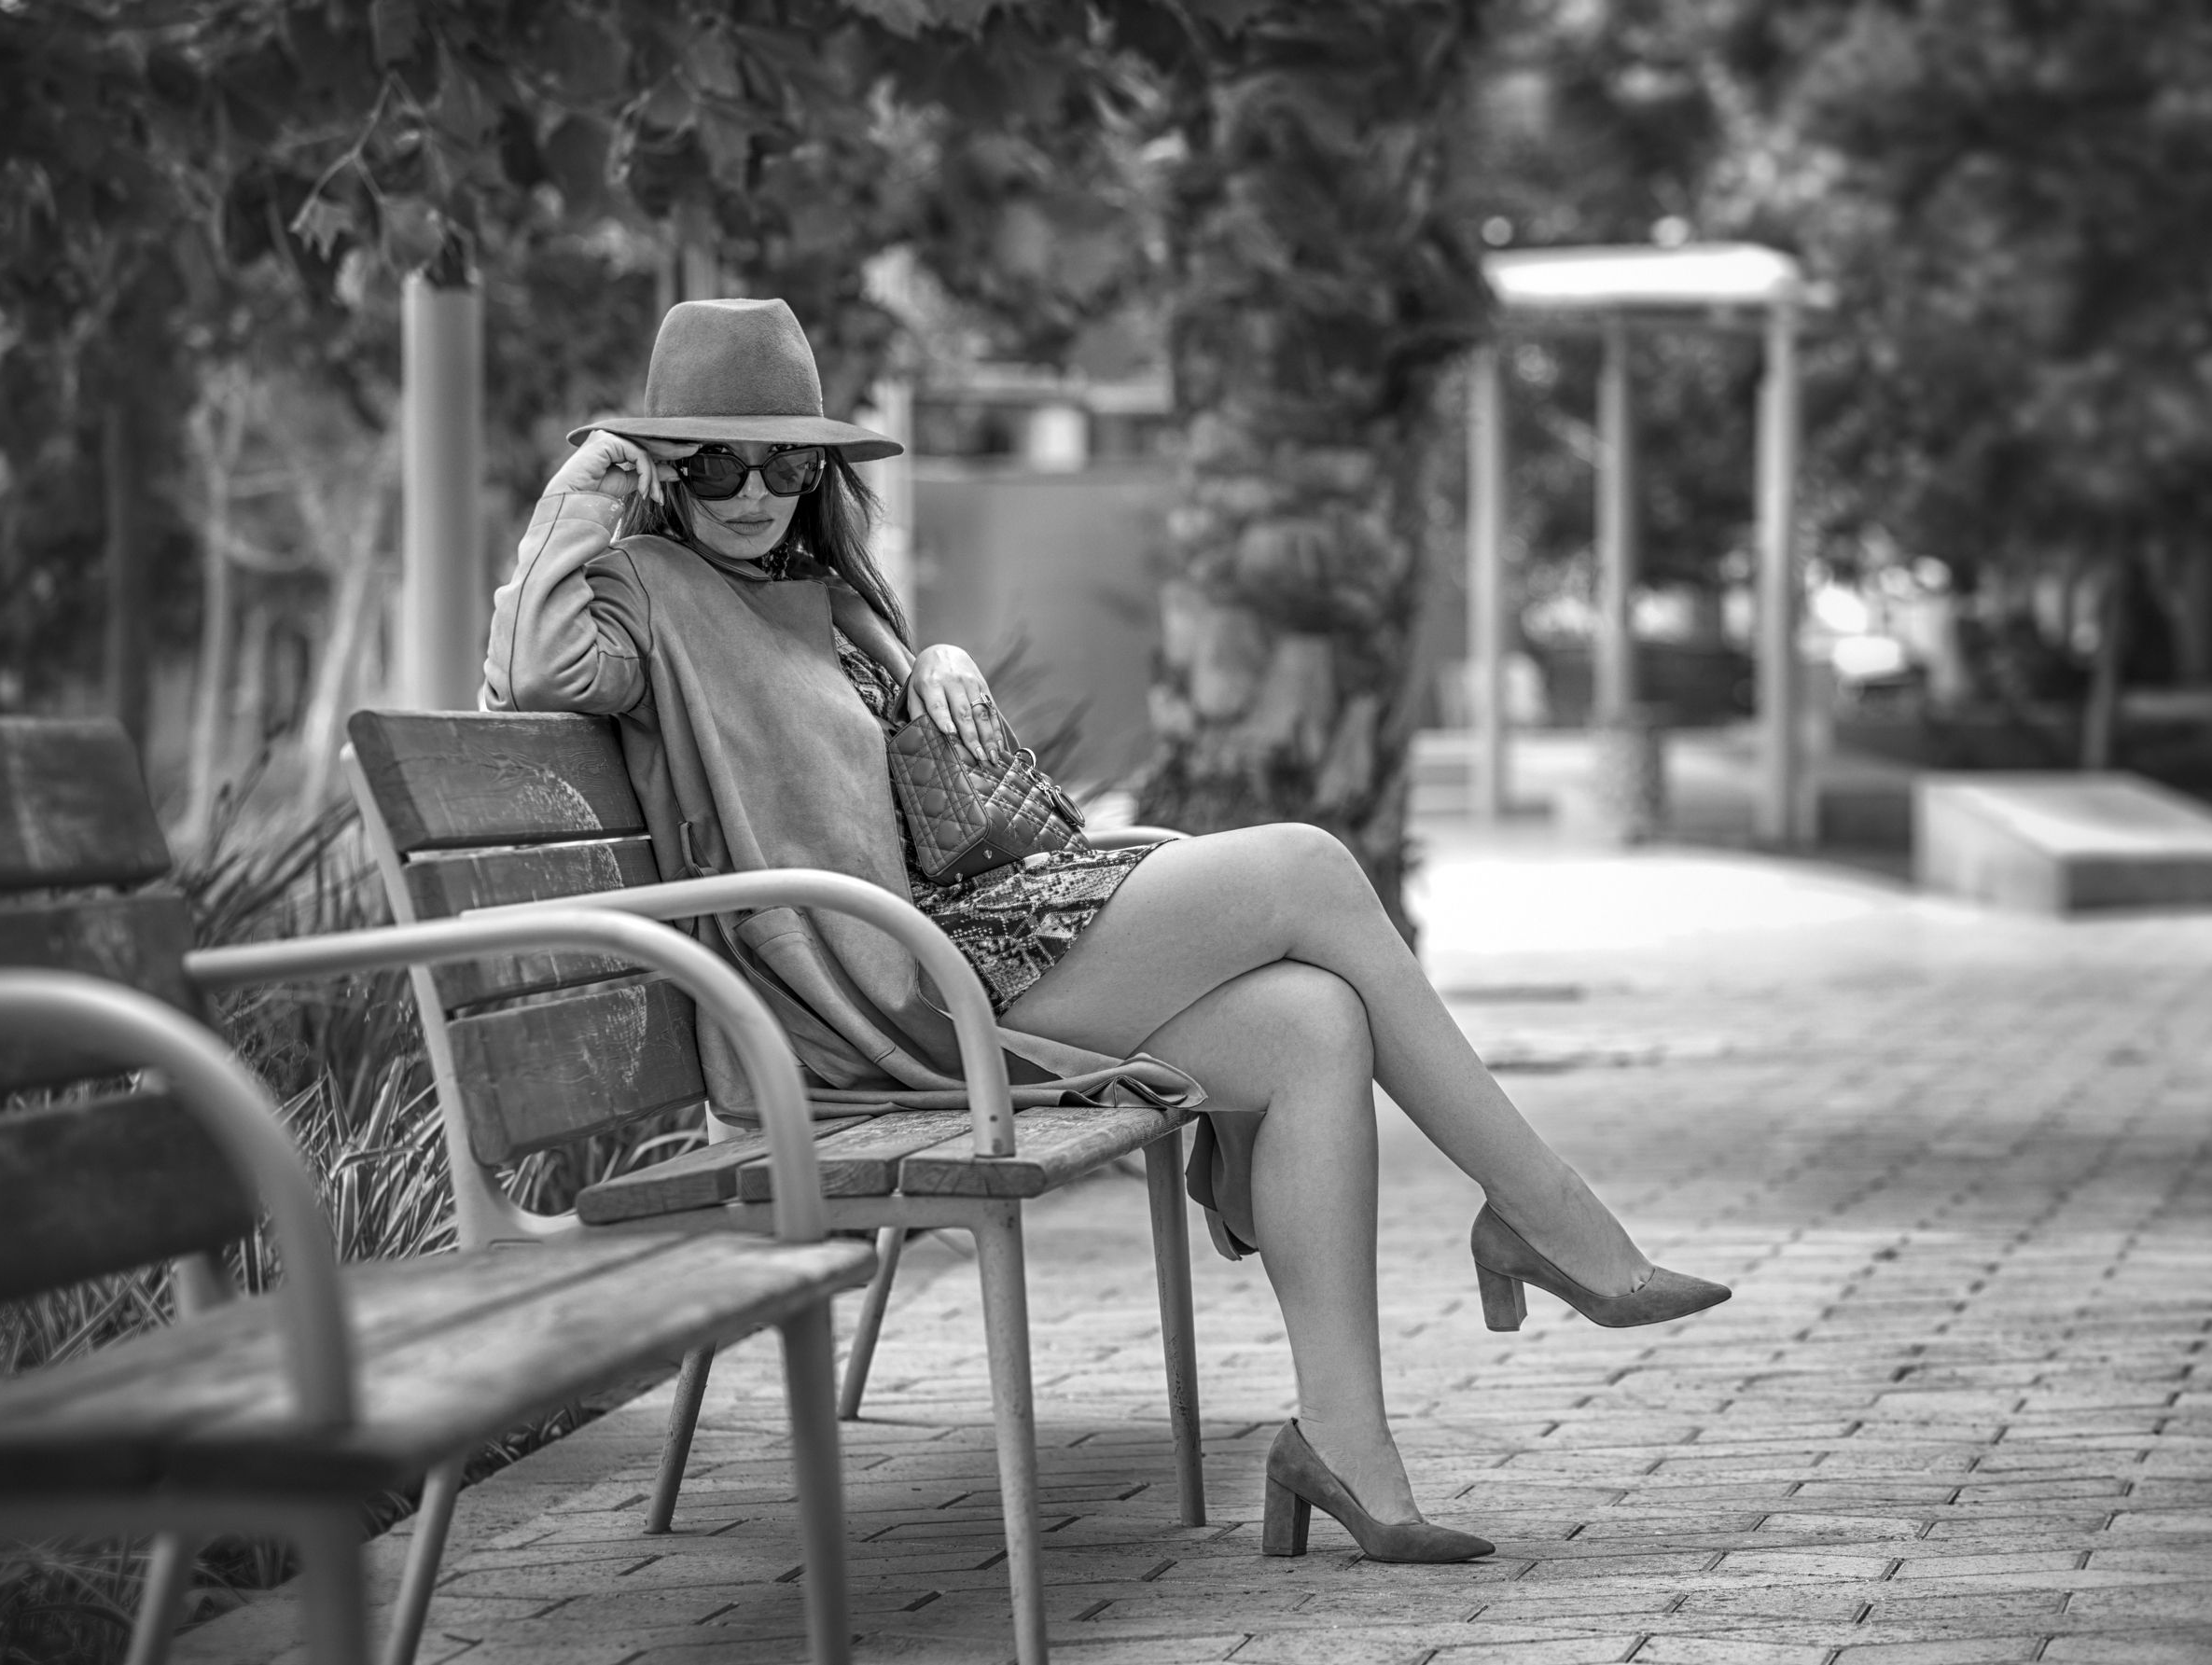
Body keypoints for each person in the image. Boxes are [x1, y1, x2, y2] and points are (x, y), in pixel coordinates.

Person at [484, 298, 1728, 1566]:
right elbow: (533, 671)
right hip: (879, 997)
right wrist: (592, 481)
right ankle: (1545, 1215)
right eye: (715, 463)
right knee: (1309, 865)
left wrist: (932, 659)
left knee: (1314, 1024)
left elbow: (898, 788)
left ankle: (1346, 1446)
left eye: (784, 463)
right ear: (663, 468)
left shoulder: (821, 598)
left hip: (951, 948)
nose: (754, 492)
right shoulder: (648, 590)